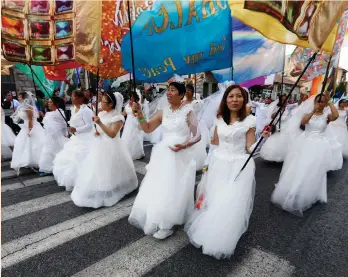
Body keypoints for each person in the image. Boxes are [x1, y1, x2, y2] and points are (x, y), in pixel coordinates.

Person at [185, 85, 256, 259]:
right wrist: (206, 165)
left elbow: (250, 147)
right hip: (218, 163)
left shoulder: (249, 121)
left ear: (244, 100)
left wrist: (264, 139)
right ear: (225, 100)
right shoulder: (219, 119)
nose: (234, 99)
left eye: (239, 96)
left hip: (239, 166)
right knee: (215, 199)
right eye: (231, 96)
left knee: (229, 201)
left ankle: (222, 237)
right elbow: (214, 145)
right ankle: (210, 230)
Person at [128, 82, 200, 240]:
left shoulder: (188, 111)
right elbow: (147, 128)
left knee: (175, 188)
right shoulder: (162, 112)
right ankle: (158, 217)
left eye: (173, 90)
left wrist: (184, 145)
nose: (168, 93)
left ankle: (166, 224)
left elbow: (197, 135)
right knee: (161, 186)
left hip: (180, 155)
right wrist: (139, 113)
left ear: (181, 95)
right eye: (168, 90)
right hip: (163, 154)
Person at [271, 94, 341, 216]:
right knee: (301, 168)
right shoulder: (308, 114)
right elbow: (303, 122)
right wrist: (314, 110)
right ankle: (294, 192)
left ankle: (310, 192)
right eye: (317, 101)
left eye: (322, 102)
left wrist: (329, 102)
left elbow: (336, 116)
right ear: (314, 102)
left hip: (320, 146)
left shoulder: (327, 116)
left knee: (315, 170)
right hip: (305, 144)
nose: (319, 103)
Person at [71, 91, 138, 208]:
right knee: (98, 168)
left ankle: (114, 186)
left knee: (111, 167)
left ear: (111, 104)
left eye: (103, 101)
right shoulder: (101, 114)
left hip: (112, 146)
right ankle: (101, 185)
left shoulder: (118, 117)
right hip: (99, 145)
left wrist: (100, 124)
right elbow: (100, 130)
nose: (101, 103)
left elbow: (112, 134)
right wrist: (97, 132)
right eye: (101, 101)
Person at [52, 90, 94, 191]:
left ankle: (85, 180)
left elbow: (89, 126)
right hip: (76, 137)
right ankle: (74, 180)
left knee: (82, 158)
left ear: (80, 98)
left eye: (73, 97)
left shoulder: (86, 110)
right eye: (72, 97)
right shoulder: (74, 109)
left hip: (86, 138)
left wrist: (77, 129)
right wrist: (72, 129)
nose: (72, 98)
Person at [10, 92, 45, 173]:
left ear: (25, 98)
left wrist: (30, 130)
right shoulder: (23, 107)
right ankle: (27, 160)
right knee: (24, 144)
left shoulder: (29, 108)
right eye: (19, 97)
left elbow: (30, 120)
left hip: (31, 127)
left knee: (34, 144)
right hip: (25, 127)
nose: (19, 99)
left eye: (20, 97)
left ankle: (35, 160)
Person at [260, 95, 296, 162]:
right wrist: (279, 111)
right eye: (283, 100)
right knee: (275, 143)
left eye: (286, 100)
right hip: (278, 129)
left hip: (286, 129)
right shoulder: (277, 108)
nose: (285, 102)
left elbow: (297, 105)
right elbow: (272, 116)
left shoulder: (289, 108)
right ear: (280, 101)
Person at [38, 97, 69, 176]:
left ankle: (58, 167)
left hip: (57, 136)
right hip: (49, 136)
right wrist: (43, 116)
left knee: (57, 151)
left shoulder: (59, 112)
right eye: (48, 102)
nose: (49, 104)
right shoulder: (49, 113)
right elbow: (48, 123)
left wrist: (63, 132)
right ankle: (46, 168)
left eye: (51, 102)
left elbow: (64, 124)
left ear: (56, 104)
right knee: (47, 151)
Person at [182, 84, 207, 170]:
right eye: (186, 90)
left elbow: (198, 112)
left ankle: (194, 162)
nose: (187, 92)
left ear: (192, 92)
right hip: (185, 125)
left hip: (194, 124)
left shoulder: (196, 102)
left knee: (195, 141)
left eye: (189, 90)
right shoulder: (182, 102)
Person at [121, 93, 145, 160]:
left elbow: (136, 114)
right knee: (127, 136)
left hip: (135, 122)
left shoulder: (138, 105)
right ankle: (126, 152)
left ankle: (137, 152)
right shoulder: (127, 105)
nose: (130, 99)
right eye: (130, 97)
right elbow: (123, 114)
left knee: (135, 136)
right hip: (128, 123)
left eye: (132, 97)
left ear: (135, 98)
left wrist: (132, 108)